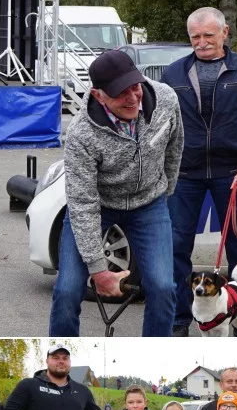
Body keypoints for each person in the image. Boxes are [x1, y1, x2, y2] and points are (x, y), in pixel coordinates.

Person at [51, 50, 183, 337]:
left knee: (162, 288)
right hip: (100, 205)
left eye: (134, 87)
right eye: (121, 93)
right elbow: (83, 203)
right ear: (98, 95)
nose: (133, 98)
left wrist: (165, 192)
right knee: (67, 289)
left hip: (149, 203)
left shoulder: (166, 100)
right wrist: (98, 271)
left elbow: (174, 149)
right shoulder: (81, 134)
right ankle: (59, 351)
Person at [163, 7, 237, 337]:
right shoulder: (173, 74)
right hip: (184, 175)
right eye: (195, 37)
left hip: (232, 174)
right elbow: (161, 126)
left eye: (208, 36)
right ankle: (180, 321)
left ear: (224, 33)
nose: (201, 43)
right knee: (175, 249)